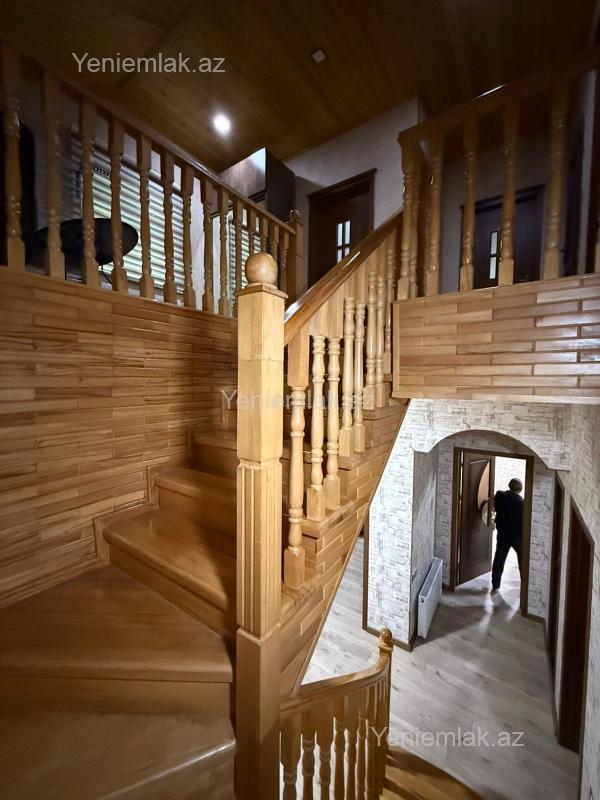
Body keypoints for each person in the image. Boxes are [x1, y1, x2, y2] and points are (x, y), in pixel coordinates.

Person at [491, 478, 523, 593]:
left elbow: (494, 507)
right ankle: (525, 585)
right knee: (522, 560)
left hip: (503, 534)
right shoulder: (521, 502)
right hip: (517, 536)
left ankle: (495, 585)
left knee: (499, 559)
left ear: (509, 486)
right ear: (520, 489)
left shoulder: (499, 495)